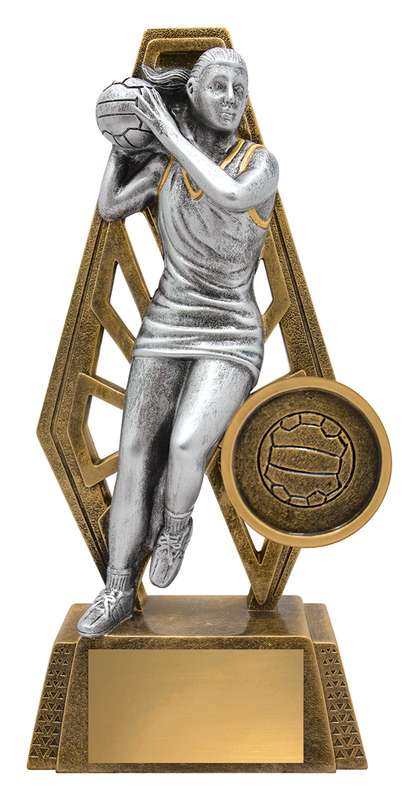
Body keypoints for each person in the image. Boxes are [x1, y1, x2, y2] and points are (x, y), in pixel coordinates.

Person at [77, 47, 279, 637]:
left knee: (187, 444)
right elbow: (110, 206)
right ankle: (118, 587)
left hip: (230, 330)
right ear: (191, 92)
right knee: (135, 452)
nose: (231, 98)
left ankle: (175, 524)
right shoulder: (165, 166)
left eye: (239, 88)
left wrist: (164, 131)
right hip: (167, 322)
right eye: (217, 86)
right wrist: (123, 141)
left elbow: (229, 195)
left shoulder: (259, 164)